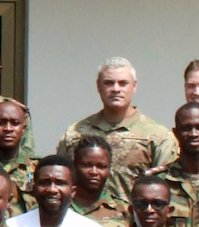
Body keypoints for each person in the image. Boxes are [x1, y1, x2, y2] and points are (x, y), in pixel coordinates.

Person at [59, 58, 176, 192]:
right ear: (98, 86)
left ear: (134, 86)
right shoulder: (76, 134)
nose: (116, 89)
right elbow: (61, 181)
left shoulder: (158, 137)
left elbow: (165, 191)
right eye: (109, 83)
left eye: (123, 83)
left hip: (133, 212)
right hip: (83, 212)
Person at [0, 100, 37, 213]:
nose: (8, 128)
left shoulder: (37, 169)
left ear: (23, 129)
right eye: (0, 122)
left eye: (15, 123)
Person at [70, 136, 128, 227]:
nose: (94, 172)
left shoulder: (125, 210)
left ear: (109, 169)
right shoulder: (59, 207)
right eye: (87, 165)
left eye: (101, 167)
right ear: (75, 166)